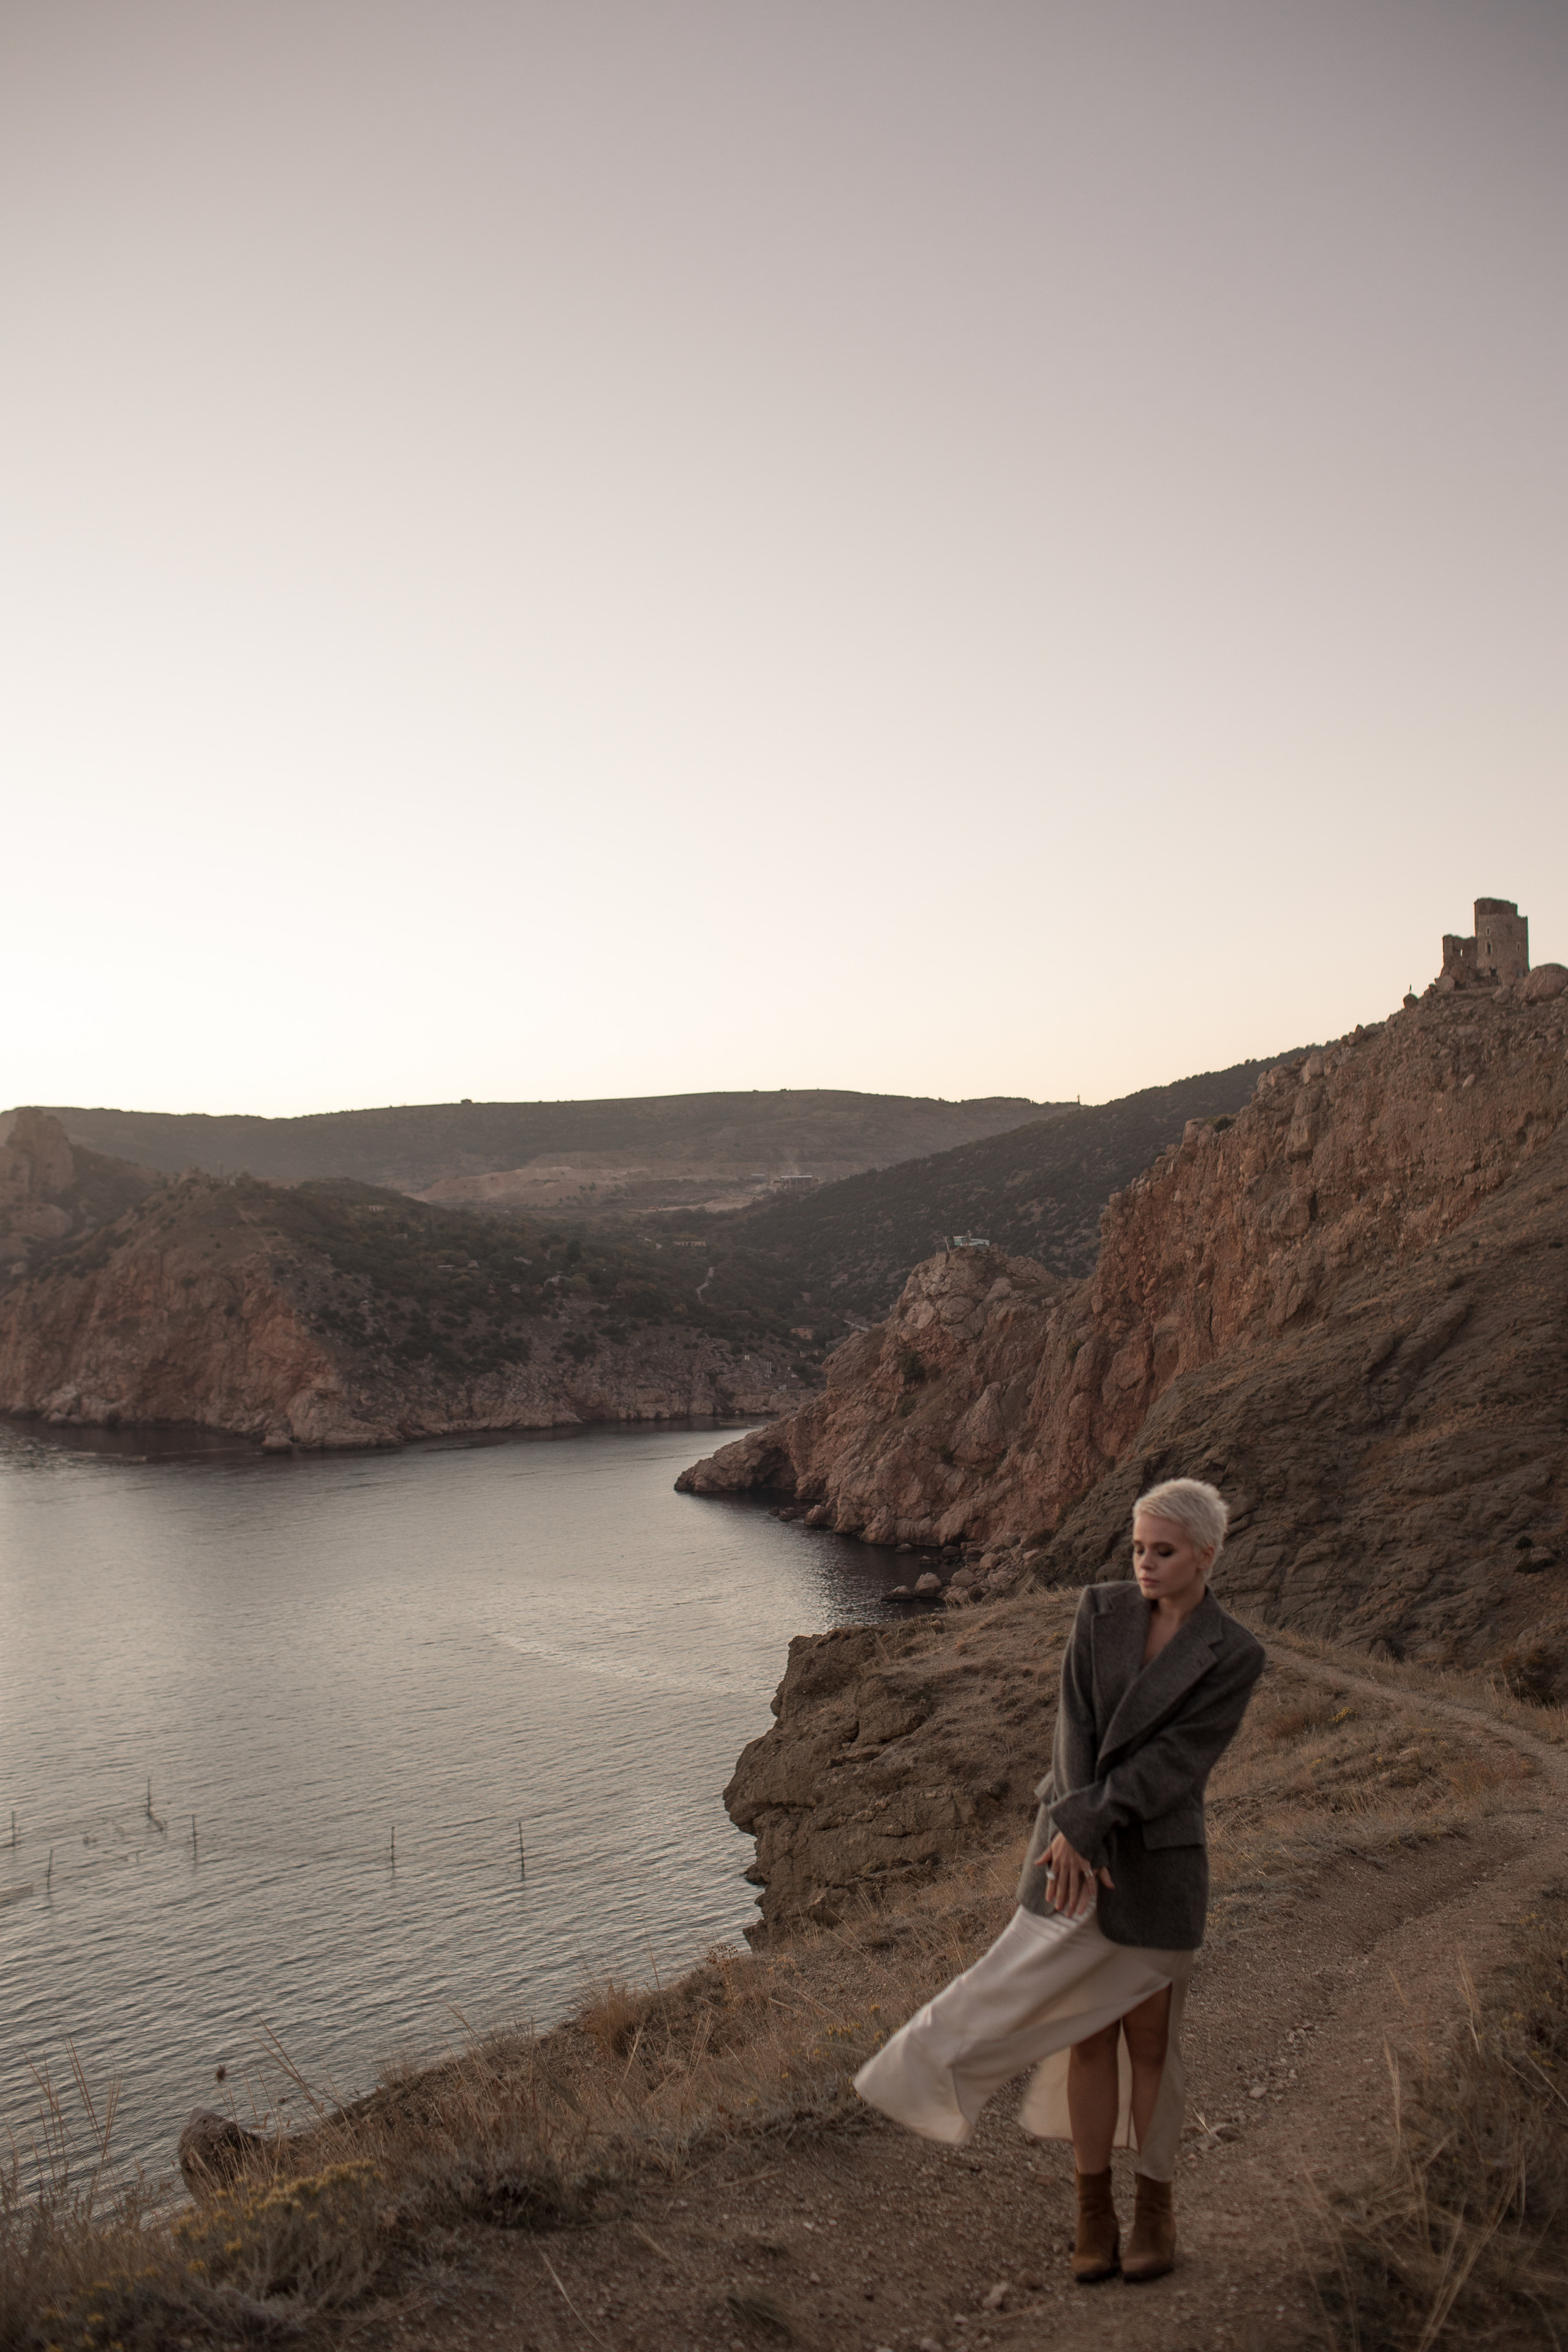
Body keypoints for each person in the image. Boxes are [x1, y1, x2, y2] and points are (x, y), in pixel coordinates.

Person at [853, 1478, 1265, 2285]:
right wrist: (1074, 1825)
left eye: (1164, 1551)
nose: (1145, 1563)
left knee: (1152, 2046)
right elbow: (1071, 1728)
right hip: (1068, 1860)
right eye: (1139, 1547)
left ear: (1205, 1557)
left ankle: (1154, 2208)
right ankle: (1091, 2212)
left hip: (1154, 1867)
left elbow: (1178, 1764)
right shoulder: (1100, 1611)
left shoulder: (1234, 1652)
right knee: (1087, 2041)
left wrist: (1088, 1823)